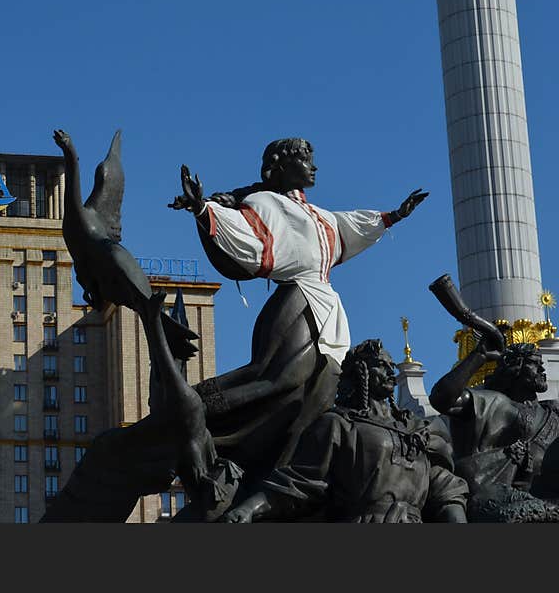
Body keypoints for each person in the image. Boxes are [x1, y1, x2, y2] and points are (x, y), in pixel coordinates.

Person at [170, 138, 427, 475]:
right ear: (281, 166)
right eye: (306, 159)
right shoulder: (264, 204)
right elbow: (243, 235)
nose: (314, 167)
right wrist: (203, 208)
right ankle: (191, 407)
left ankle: (283, 465)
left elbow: (350, 226)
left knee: (314, 396)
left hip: (328, 307)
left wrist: (394, 216)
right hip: (297, 298)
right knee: (275, 378)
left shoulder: (319, 215)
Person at [220, 340, 468, 523]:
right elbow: (300, 483)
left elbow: (444, 486)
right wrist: (249, 508)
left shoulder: (416, 430)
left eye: (391, 366)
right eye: (381, 366)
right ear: (361, 372)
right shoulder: (338, 425)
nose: (390, 372)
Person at [429, 340, 559, 521]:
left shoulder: (553, 413)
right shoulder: (495, 404)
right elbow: (442, 399)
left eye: (541, 364)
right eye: (533, 363)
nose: (542, 370)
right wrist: (479, 356)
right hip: (500, 504)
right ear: (515, 368)